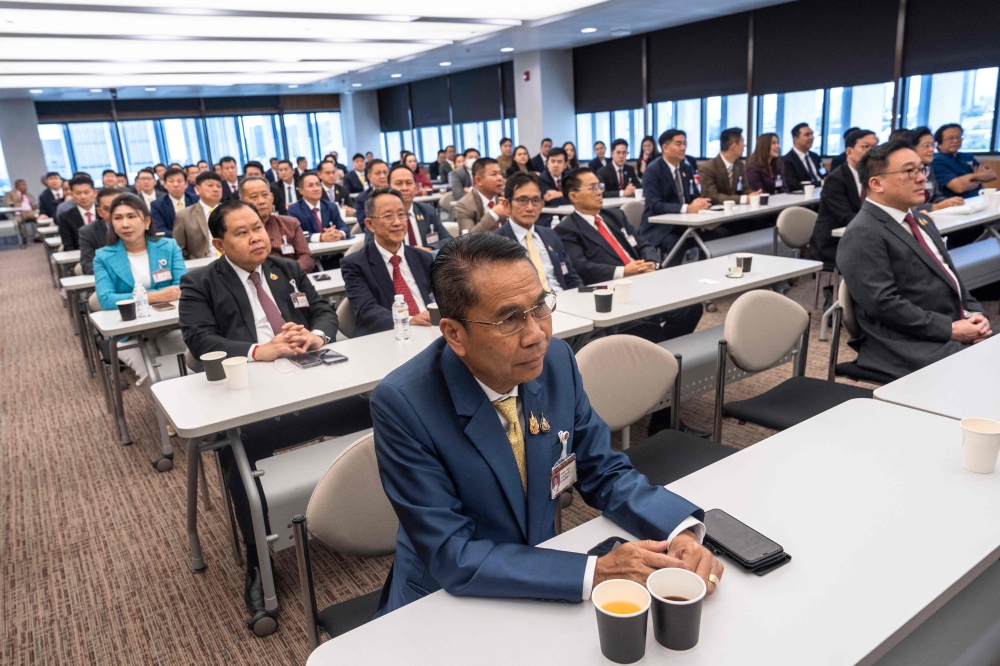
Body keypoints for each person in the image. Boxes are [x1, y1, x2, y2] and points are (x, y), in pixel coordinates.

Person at [370, 232, 722, 617]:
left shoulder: (556, 361)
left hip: (539, 572)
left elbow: (601, 468)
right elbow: (452, 553)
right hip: (443, 601)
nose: (537, 335)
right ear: (455, 333)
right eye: (509, 319)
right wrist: (596, 572)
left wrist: (678, 530)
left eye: (540, 306)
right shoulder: (405, 403)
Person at [178, 198, 357, 628]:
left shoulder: (287, 269)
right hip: (250, 398)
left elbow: (323, 312)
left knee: (376, 415)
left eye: (258, 227)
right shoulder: (199, 282)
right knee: (238, 455)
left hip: (310, 385)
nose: (257, 236)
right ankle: (260, 562)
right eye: (242, 232)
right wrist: (262, 350)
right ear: (219, 243)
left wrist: (315, 336)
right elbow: (200, 340)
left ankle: (384, 513)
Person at [838, 140, 990, 380]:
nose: (921, 178)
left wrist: (974, 314)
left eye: (921, 169)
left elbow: (952, 279)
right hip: (904, 342)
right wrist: (949, 329)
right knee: (985, 373)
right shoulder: (863, 232)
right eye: (909, 171)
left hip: (946, 325)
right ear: (876, 184)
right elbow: (884, 304)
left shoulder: (921, 220)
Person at [94, 192, 187, 384]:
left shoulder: (169, 247)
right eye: (118, 218)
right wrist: (156, 296)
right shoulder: (103, 256)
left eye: (131, 216)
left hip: (168, 324)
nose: (125, 224)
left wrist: (142, 297)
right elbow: (106, 300)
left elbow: (181, 287)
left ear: (146, 221)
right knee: (151, 377)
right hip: (129, 331)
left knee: (181, 369)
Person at [342, 187, 435, 336]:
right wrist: (409, 320)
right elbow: (367, 311)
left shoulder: (423, 257)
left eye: (401, 214)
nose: (398, 222)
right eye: (388, 216)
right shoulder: (355, 264)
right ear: (370, 224)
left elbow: (442, 297)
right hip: (388, 337)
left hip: (430, 331)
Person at [496, 171, 583, 292]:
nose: (530, 208)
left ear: (542, 205)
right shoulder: (496, 243)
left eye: (535, 200)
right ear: (506, 205)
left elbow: (570, 277)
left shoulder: (551, 235)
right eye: (522, 200)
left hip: (564, 300)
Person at [640, 130, 712, 259]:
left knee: (717, 236)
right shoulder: (653, 171)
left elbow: (693, 194)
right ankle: (671, 277)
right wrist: (687, 208)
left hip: (686, 224)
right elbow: (655, 205)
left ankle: (703, 272)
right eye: (678, 144)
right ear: (665, 148)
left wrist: (700, 203)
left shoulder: (686, 168)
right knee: (677, 244)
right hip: (661, 228)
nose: (683, 148)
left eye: (684, 143)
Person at [812, 129, 878, 267]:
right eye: (865, 147)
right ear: (849, 151)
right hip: (835, 242)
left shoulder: (875, 177)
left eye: (875, 147)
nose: (872, 152)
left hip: (862, 234)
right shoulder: (836, 179)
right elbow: (846, 217)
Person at [365, 164, 453, 251]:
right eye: (398, 183)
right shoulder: (379, 216)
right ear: (389, 187)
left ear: (415, 187)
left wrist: (429, 249)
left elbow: (448, 240)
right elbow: (370, 250)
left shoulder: (427, 211)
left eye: (409, 183)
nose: (404, 188)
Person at [241, 176, 314, 272]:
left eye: (265, 195)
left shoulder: (290, 223)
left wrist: (292, 274)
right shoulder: (239, 231)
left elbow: (305, 256)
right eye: (254, 197)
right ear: (242, 202)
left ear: (272, 198)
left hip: (292, 277)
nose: (262, 201)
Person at [932, 123, 997, 199]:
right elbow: (959, 187)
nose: (955, 140)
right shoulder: (936, 161)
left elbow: (992, 175)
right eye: (950, 138)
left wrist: (968, 179)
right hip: (959, 202)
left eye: (958, 137)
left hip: (979, 198)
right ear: (938, 144)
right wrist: (978, 177)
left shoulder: (967, 156)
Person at [908, 127, 965, 213]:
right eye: (926, 146)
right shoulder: (906, 171)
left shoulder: (928, 168)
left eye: (932, 145)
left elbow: (935, 196)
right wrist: (935, 207)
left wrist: (948, 202)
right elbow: (906, 206)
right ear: (912, 148)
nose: (931, 150)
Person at [287, 171, 351, 247]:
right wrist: (321, 237)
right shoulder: (294, 210)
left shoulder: (331, 206)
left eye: (318, 185)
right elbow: (296, 235)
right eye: (310, 186)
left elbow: (344, 227)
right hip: (310, 253)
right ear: (301, 191)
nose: (316, 189)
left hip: (333, 252)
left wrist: (339, 234)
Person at [699, 128, 758, 205]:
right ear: (734, 146)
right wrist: (743, 199)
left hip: (738, 210)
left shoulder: (739, 165)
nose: (744, 145)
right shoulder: (708, 167)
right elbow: (713, 196)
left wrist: (754, 195)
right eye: (742, 142)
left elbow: (744, 189)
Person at [173, 171, 224, 259]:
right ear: (197, 189)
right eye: (210, 185)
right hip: (200, 266)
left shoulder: (231, 212)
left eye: (219, 186)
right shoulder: (184, 216)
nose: (216, 189)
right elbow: (178, 249)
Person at [454, 158, 510, 234]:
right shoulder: (464, 206)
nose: (500, 178)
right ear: (478, 180)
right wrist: (493, 214)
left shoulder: (504, 200)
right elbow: (469, 239)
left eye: (500, 173)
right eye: (494, 174)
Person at [79, 187, 119, 274]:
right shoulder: (87, 232)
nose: (113, 213)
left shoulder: (139, 226)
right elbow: (88, 266)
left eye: (116, 207)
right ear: (100, 212)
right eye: (107, 209)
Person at [150, 167, 198, 237]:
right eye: (171, 181)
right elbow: (160, 230)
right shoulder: (157, 205)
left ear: (186, 184)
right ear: (165, 184)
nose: (175, 185)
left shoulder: (196, 200)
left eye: (179, 181)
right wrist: (183, 235)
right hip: (172, 242)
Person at [57, 175, 97, 252]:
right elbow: (69, 245)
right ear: (71, 195)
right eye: (78, 193)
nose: (83, 197)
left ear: (95, 193)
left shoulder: (105, 212)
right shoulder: (65, 217)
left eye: (86, 192)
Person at [782, 123, 827, 192]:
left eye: (812, 134)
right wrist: (821, 183)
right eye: (807, 135)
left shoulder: (815, 156)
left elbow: (824, 173)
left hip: (822, 193)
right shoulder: (787, 160)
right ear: (796, 139)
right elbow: (793, 185)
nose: (811, 137)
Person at [537, 146, 571, 227]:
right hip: (548, 220)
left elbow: (579, 196)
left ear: (565, 164)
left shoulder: (569, 177)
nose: (555, 165)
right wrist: (569, 194)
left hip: (568, 217)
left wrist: (559, 194)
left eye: (559, 162)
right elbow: (553, 201)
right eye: (552, 161)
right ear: (547, 163)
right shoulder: (541, 179)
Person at [354, 159, 389, 224]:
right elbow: (364, 225)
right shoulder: (361, 199)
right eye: (378, 173)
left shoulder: (397, 194)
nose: (383, 176)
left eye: (385, 172)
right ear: (370, 177)